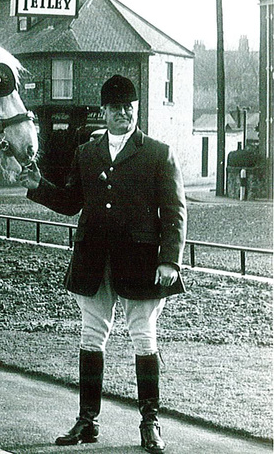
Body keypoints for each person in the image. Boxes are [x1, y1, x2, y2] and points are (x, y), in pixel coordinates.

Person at [16, 74, 186, 454]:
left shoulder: (159, 152)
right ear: (104, 112)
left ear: (136, 110)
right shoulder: (86, 153)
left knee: (144, 337)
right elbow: (71, 202)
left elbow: (174, 211)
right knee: (91, 336)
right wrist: (37, 185)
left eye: (129, 107)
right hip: (93, 258)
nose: (123, 113)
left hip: (141, 261)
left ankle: (150, 422)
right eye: (115, 108)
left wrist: (170, 260)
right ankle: (87, 421)